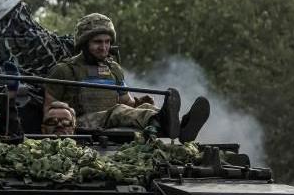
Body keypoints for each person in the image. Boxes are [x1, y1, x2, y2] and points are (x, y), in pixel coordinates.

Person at [42, 13, 209, 142]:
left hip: (110, 120)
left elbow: (127, 103)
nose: (104, 47)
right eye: (98, 42)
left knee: (145, 108)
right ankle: (163, 119)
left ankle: (180, 126)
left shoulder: (113, 68)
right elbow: (48, 112)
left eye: (107, 42)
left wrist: (139, 103)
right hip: (80, 123)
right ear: (84, 43)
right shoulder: (64, 71)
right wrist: (63, 124)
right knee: (117, 112)